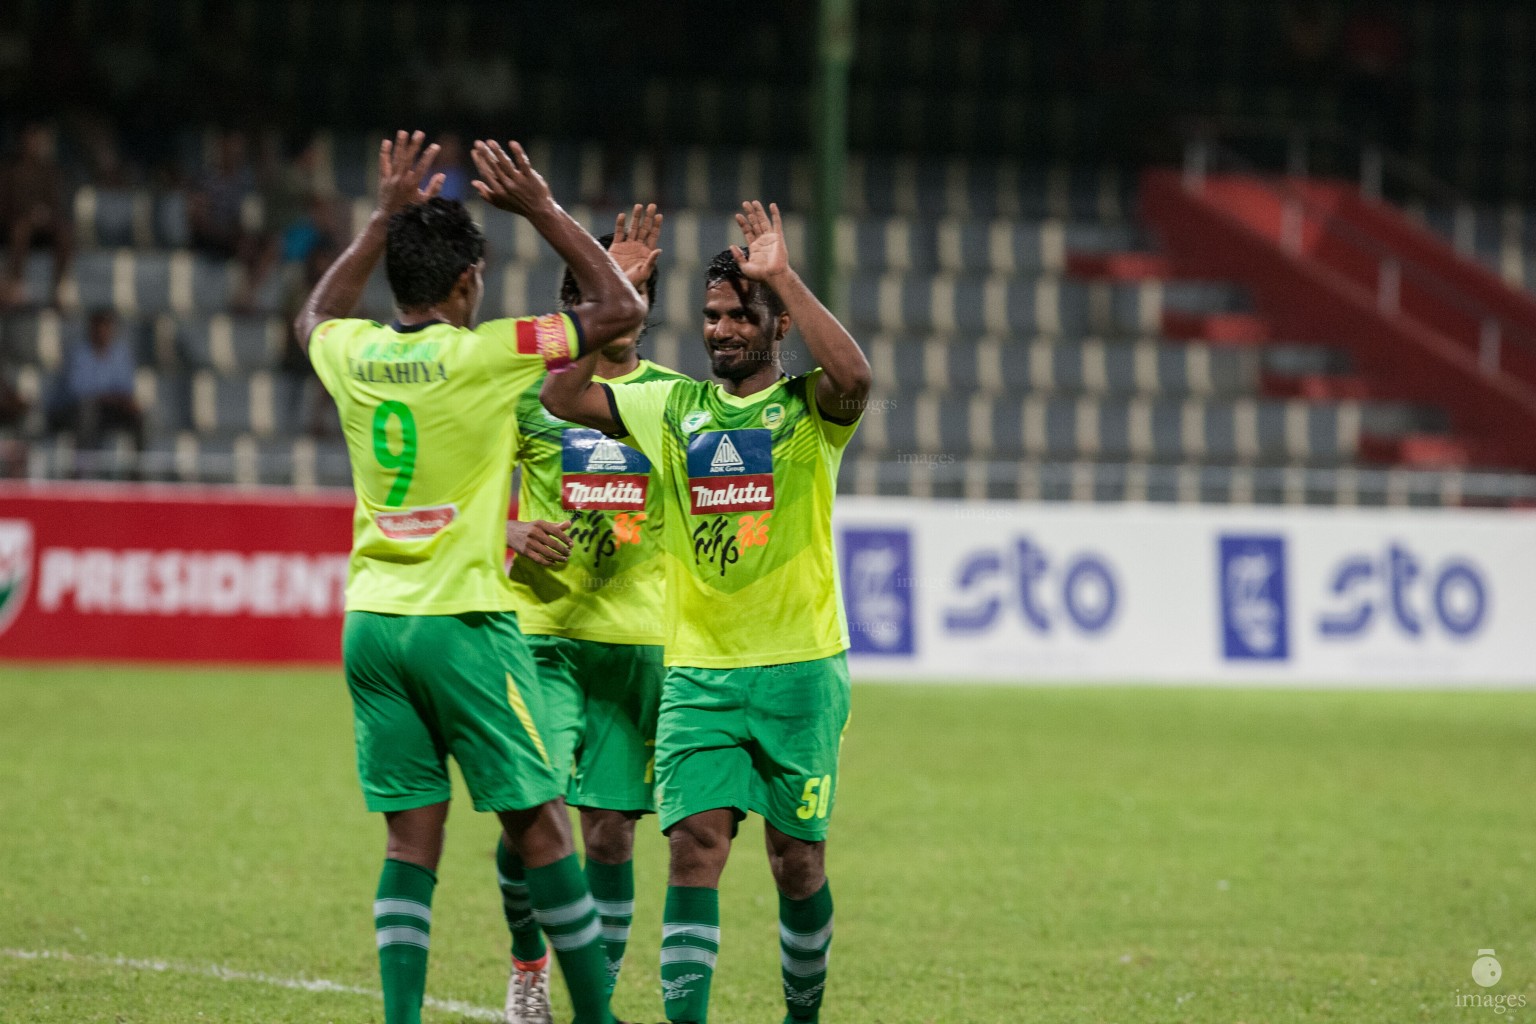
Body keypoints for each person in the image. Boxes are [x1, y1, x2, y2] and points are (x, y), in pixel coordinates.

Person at [293, 130, 651, 1024]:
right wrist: (541, 209)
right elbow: (616, 309)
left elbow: (310, 318)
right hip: (462, 620)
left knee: (412, 842)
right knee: (543, 830)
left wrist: (379, 219)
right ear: (465, 285)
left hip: (372, 622)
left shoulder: (356, 353)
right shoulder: (491, 353)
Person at [542, 200, 872, 1024]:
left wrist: (784, 276)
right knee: (694, 850)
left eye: (738, 315)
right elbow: (560, 395)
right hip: (698, 675)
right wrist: (607, 287)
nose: (720, 330)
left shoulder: (805, 413)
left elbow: (858, 379)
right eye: (711, 316)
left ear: (778, 325)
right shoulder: (673, 408)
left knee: (796, 862)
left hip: (799, 669)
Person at [497, 205, 688, 1024]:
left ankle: (592, 1005)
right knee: (529, 819)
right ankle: (530, 963)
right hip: (542, 637)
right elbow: (447, 494)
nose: (607, 306)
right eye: (591, 292)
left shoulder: (676, 403)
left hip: (634, 643)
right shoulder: (528, 399)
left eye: (624, 289)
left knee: (611, 837)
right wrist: (504, 527)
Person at [45, 309, 145, 469]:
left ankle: (139, 471)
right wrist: (110, 397)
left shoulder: (121, 354)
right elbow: (78, 391)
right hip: (70, 411)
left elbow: (126, 388)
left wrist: (122, 401)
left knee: (138, 415)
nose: (103, 332)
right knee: (87, 411)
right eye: (99, 327)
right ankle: (83, 470)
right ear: (91, 329)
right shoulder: (78, 353)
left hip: (107, 410)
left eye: (107, 327)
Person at [2, 122, 72, 308]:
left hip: (43, 224)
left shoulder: (49, 170)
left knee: (65, 232)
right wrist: (25, 215)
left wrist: (44, 215)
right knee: (21, 229)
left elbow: (56, 203)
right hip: (15, 224)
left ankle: (58, 287)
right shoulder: (9, 170)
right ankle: (16, 284)